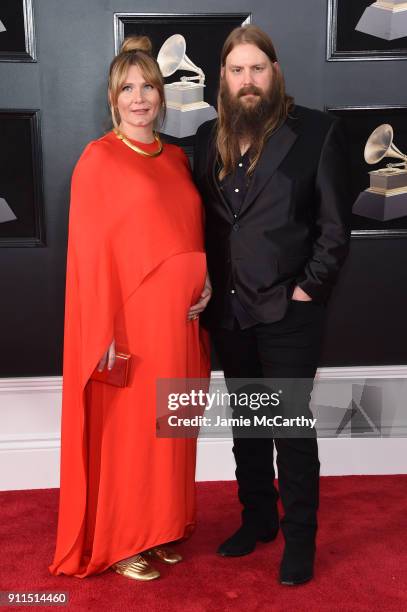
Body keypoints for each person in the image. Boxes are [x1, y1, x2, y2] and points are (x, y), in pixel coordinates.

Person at [49, 35, 211, 581]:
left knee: (170, 427)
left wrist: (204, 276)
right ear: (112, 99)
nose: (139, 98)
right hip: (132, 324)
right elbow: (89, 255)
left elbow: (186, 227)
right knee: (130, 433)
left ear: (162, 96)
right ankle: (122, 540)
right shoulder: (99, 159)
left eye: (148, 87)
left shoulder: (178, 158)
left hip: (181, 324)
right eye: (127, 89)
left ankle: (161, 527)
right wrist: (106, 330)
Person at [193, 25, 350, 585]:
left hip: (289, 312)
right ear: (224, 80)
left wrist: (307, 288)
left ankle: (299, 539)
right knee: (249, 426)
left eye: (257, 68)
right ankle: (257, 520)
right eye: (237, 70)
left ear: (275, 73)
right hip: (231, 314)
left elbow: (335, 229)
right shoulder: (207, 137)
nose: (248, 80)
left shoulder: (317, 132)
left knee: (289, 428)